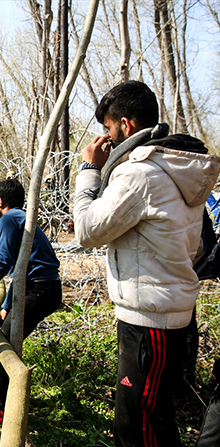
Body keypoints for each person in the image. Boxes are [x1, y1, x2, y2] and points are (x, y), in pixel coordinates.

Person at [72, 80, 220, 447]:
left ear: (126, 125)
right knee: (147, 419)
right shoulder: (175, 167)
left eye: (108, 129)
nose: (106, 138)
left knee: (142, 428)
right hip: (165, 312)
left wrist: (90, 171)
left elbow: (88, 230)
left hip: (149, 323)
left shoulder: (141, 173)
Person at [0, 178, 62, 429]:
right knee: (7, 338)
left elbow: (4, 263)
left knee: (3, 343)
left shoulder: (8, 219)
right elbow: (20, 269)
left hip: (41, 289)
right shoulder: (21, 217)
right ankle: (1, 391)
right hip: (37, 286)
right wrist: (7, 304)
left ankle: (2, 408)